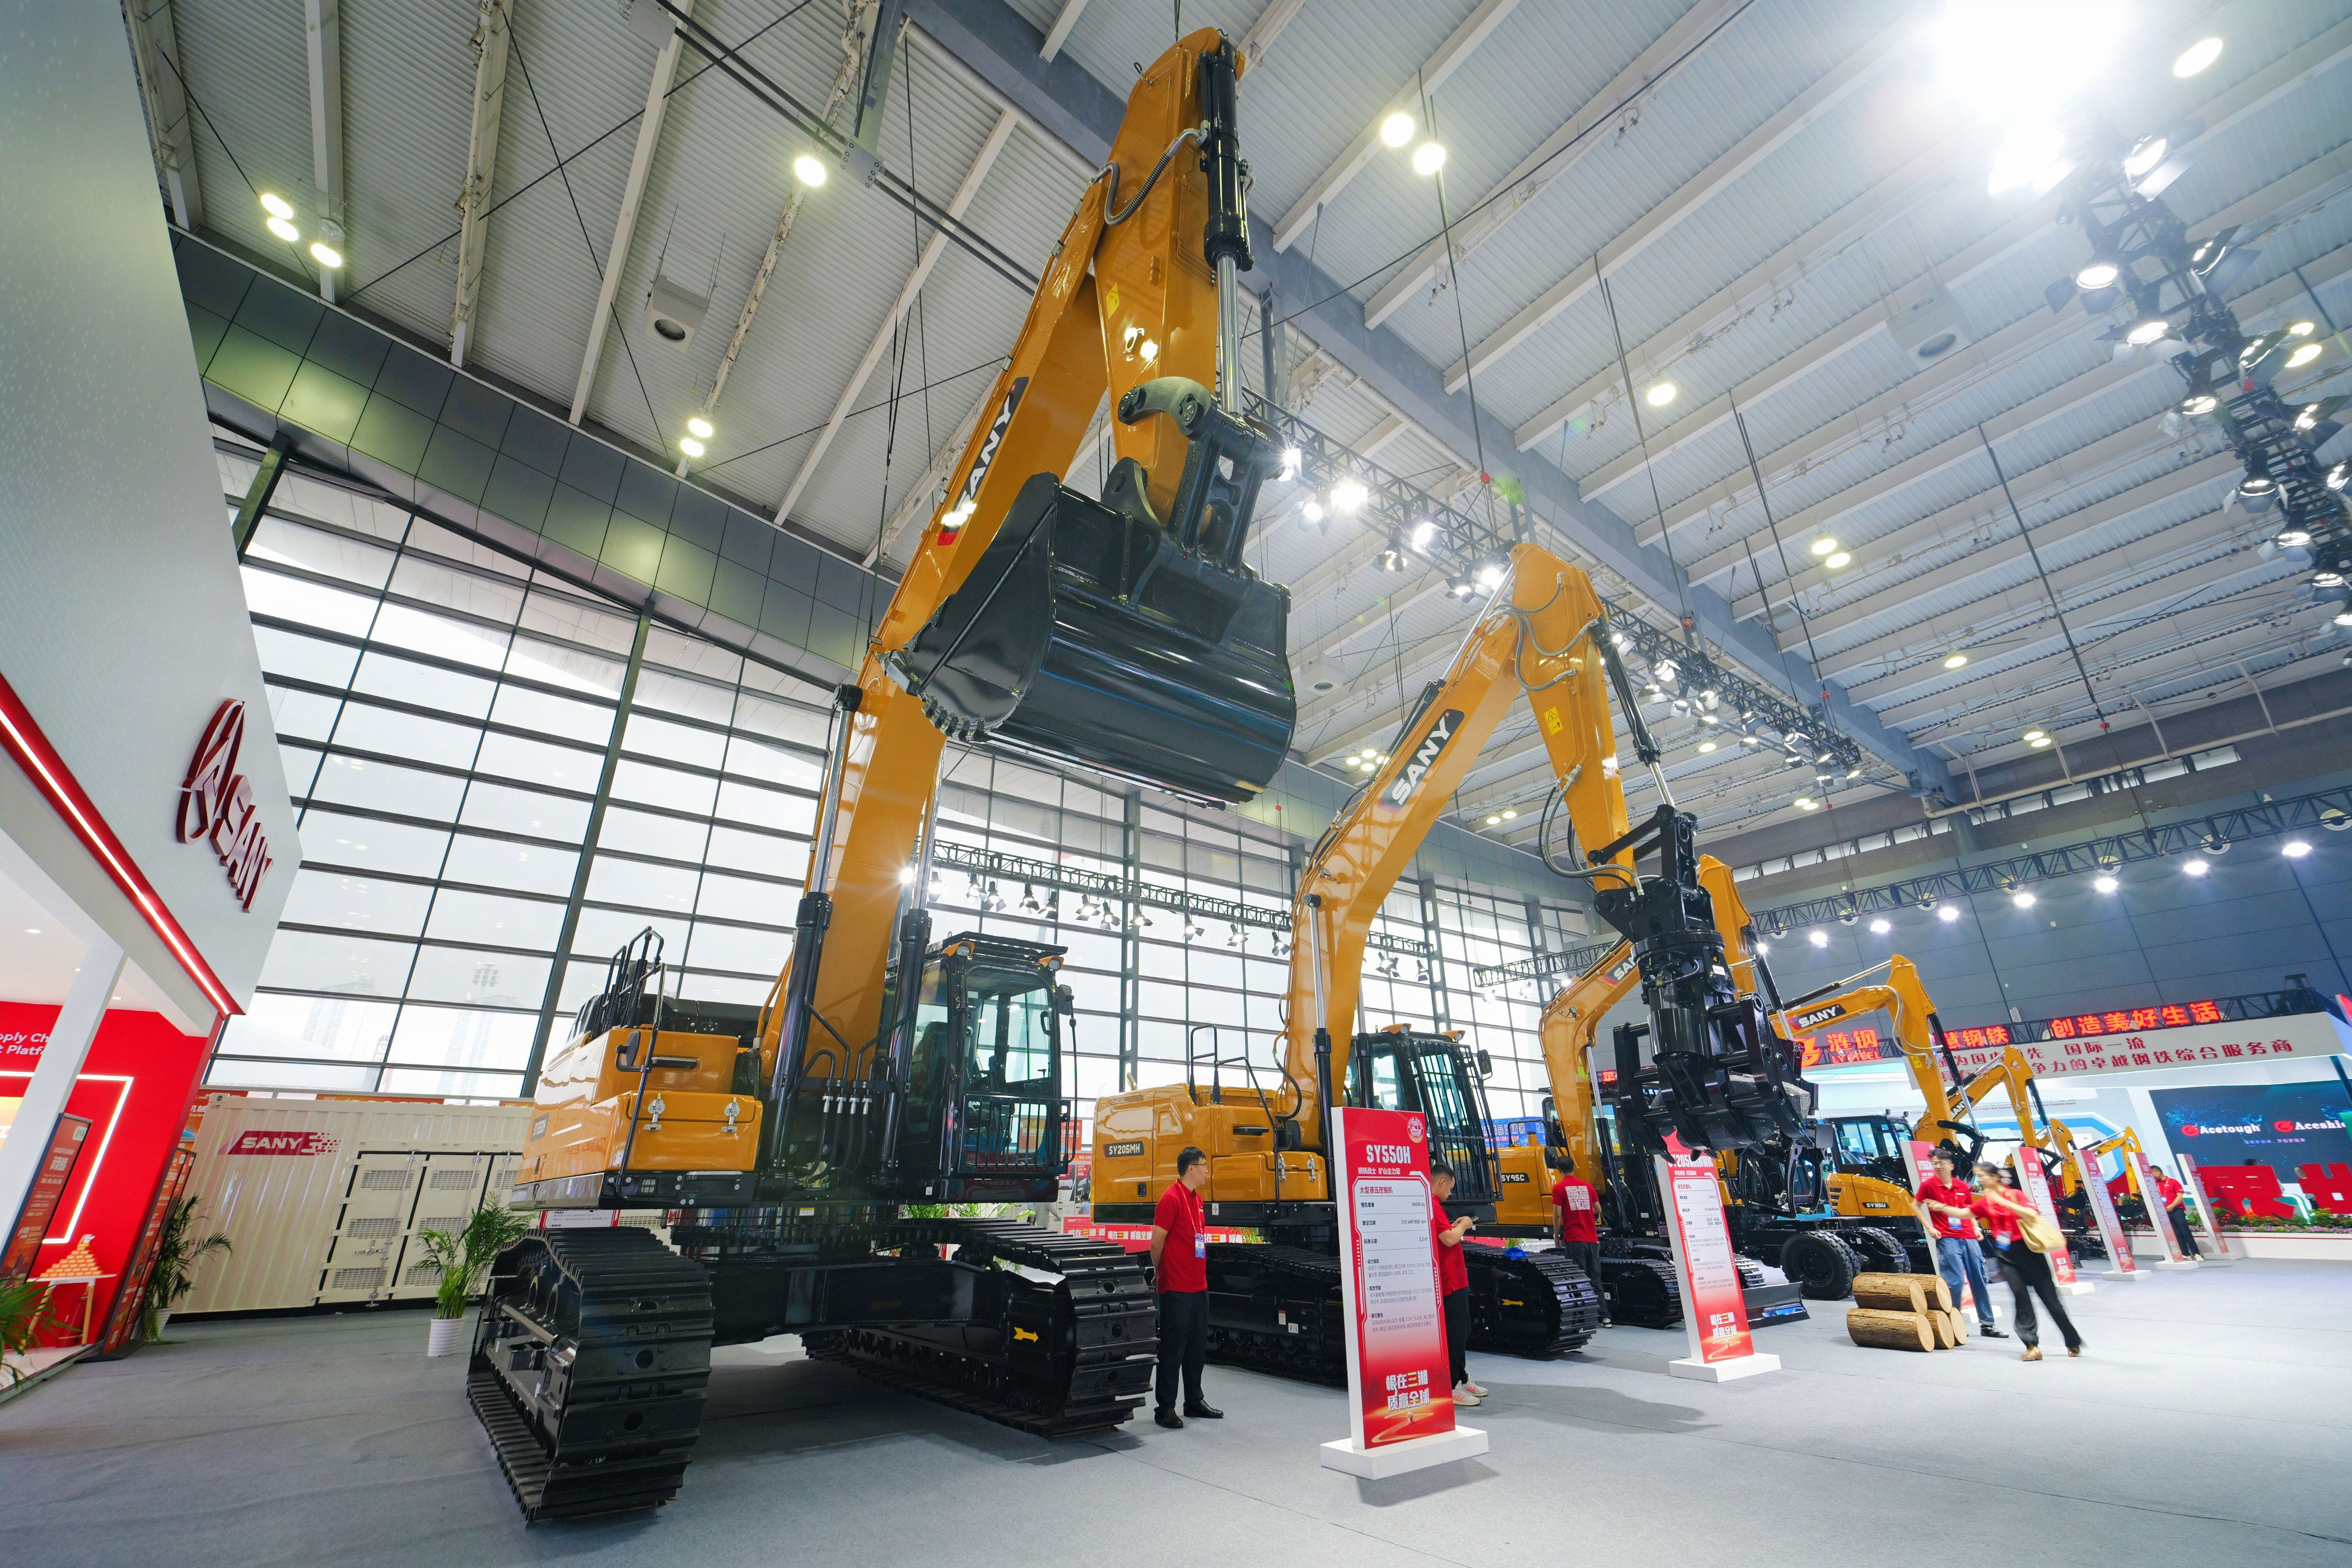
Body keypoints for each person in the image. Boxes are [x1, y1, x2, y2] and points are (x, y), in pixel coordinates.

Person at [1972, 1161, 2083, 1360]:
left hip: (2029, 1251)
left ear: (1995, 1177)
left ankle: (2072, 1340)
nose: (1979, 1180)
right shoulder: (1985, 1201)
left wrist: (2003, 1201)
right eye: (1978, 1177)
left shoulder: (2015, 1195)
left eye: (1982, 1176)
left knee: (2050, 1300)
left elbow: (2032, 1214)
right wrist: (1940, 1208)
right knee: (2021, 1298)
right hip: (2006, 1255)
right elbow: (1966, 1213)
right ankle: (2032, 1346)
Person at [1149, 1145, 1220, 1428]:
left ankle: (1194, 1401)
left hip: (1198, 1285)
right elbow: (1156, 1242)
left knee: (1196, 1348)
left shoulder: (1197, 1200)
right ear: (1191, 1169)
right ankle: (1165, 1408)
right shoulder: (1170, 1199)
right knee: (1173, 1349)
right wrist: (1160, 1271)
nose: (1206, 1171)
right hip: (1176, 1287)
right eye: (1203, 1165)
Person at [1916, 1146, 2005, 1338]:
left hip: (1969, 1237)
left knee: (1979, 1279)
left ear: (1951, 1166)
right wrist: (1929, 1228)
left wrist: (1976, 1228)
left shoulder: (1962, 1186)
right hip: (1947, 1238)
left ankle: (1988, 1325)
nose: (1938, 1167)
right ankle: (1953, 1325)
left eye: (1941, 1163)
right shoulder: (1928, 1186)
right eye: (1935, 1164)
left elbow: (1969, 1210)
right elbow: (1915, 1206)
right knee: (1954, 1282)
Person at [1429, 1160, 1482, 1406]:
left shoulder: (1435, 1205)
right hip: (1448, 1280)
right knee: (1455, 1334)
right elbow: (1449, 1239)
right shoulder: (1433, 1204)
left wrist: (1456, 1226)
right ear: (1441, 1182)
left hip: (1455, 1279)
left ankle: (1460, 1377)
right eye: (1450, 1188)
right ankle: (1451, 1386)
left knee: (1462, 1331)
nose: (1450, 1193)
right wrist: (1465, 1224)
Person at [1548, 1151, 1607, 1323]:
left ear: (1559, 1170)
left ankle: (1586, 1317)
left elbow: (1557, 1215)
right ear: (1573, 1168)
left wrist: (1557, 1235)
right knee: (1595, 1280)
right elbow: (1598, 1209)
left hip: (1575, 1239)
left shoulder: (1559, 1188)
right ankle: (1605, 1317)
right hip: (1592, 1239)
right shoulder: (1587, 1186)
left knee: (1579, 1279)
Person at [2149, 1165, 2206, 1259]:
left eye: (2152, 1174)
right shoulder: (2155, 1184)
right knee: (2177, 1233)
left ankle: (2196, 1253)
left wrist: (2172, 1206)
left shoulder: (2173, 1182)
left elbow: (2180, 1197)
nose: (2152, 1176)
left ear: (2158, 1172)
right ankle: (2185, 1254)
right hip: (2165, 1212)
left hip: (2177, 1210)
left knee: (2185, 1232)